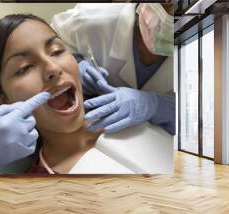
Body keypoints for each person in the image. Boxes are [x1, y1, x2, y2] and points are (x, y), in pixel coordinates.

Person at [0, 3, 175, 173]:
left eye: (56, 51)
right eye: (24, 68)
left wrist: (158, 106)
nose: (52, 68)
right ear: (5, 102)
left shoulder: (137, 116)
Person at [51, 3, 175, 135]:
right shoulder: (88, 19)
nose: (172, 14)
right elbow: (47, 44)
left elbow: (197, 121)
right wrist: (75, 64)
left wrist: (159, 106)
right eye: (167, 2)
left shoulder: (198, 50)